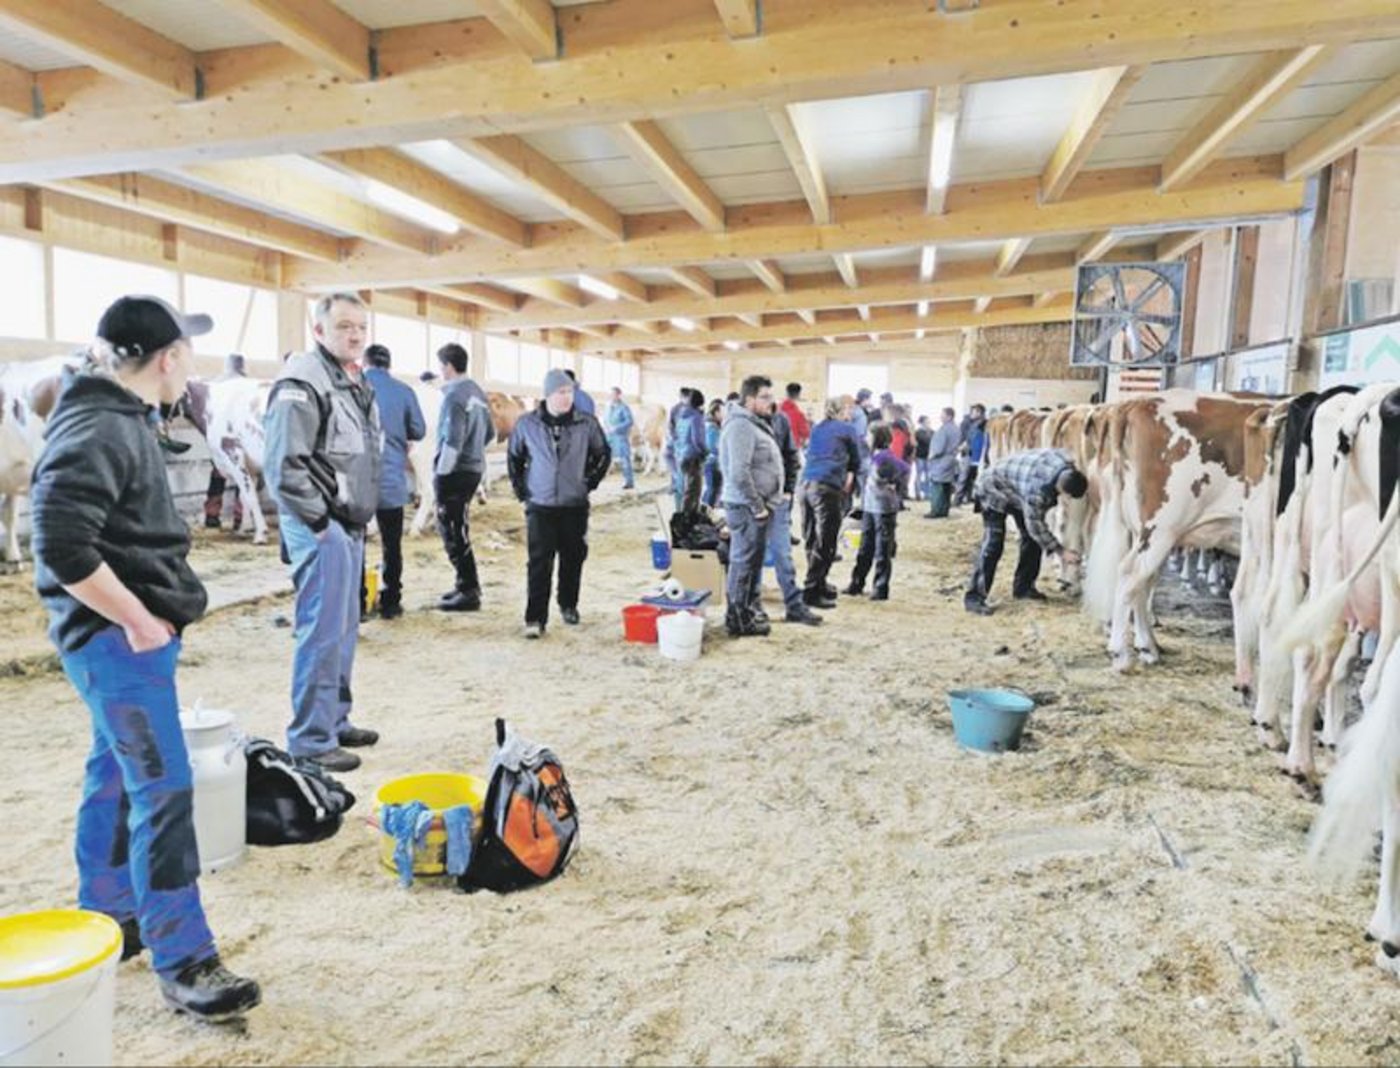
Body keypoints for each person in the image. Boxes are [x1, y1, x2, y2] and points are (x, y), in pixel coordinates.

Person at [30, 294, 260, 1020]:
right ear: (169, 359)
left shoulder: (115, 416)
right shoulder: (99, 425)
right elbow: (61, 544)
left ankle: (109, 912)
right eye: (185, 348)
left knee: (115, 778)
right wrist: (136, 619)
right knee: (163, 792)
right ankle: (184, 956)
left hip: (122, 642)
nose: (188, 359)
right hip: (117, 644)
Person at [263, 292, 382, 774]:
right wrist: (320, 525)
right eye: (343, 327)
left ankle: (334, 720)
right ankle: (310, 740)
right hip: (321, 524)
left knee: (345, 627)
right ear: (318, 331)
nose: (354, 335)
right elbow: (283, 466)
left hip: (347, 521)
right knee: (321, 631)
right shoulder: (302, 381)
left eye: (360, 327)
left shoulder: (351, 380)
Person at [507, 369, 611, 638]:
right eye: (561, 392)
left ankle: (568, 604)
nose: (567, 397)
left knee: (573, 558)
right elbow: (514, 458)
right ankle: (535, 618)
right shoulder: (527, 424)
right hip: (540, 505)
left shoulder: (586, 423)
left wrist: (589, 482)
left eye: (570, 392)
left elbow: (603, 454)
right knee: (539, 562)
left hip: (574, 504)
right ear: (548, 395)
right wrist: (522, 491)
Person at [964, 448, 1088, 616]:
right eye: (1066, 496)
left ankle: (1023, 588)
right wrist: (1060, 551)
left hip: (1015, 487)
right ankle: (974, 597)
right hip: (992, 489)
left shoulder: (1066, 461)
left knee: (1031, 540)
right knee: (993, 543)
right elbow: (1035, 527)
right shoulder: (1036, 491)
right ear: (1061, 488)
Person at [362, 343, 425, 620]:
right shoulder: (403, 391)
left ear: (365, 363)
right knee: (392, 545)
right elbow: (419, 430)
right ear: (389, 364)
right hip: (391, 481)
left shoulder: (352, 387)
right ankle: (391, 601)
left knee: (355, 545)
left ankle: (357, 603)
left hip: (356, 484)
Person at [719, 375, 783, 638]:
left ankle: (746, 611)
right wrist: (757, 506)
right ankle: (737, 619)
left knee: (750, 563)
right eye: (765, 397)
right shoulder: (741, 427)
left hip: (753, 507)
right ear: (750, 399)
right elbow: (738, 472)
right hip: (746, 507)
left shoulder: (752, 424)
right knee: (743, 563)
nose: (771, 401)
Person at [433, 342, 494, 612]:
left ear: (447, 366)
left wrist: (440, 475)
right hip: (474, 469)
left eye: (441, 366)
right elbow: (490, 433)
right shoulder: (478, 393)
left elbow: (452, 441)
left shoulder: (454, 396)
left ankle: (469, 590)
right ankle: (464, 584)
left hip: (455, 472)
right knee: (460, 526)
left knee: (451, 530)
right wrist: (475, 452)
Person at [753, 397, 823, 626]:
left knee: (783, 554)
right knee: (751, 554)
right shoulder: (743, 424)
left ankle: (794, 605)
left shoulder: (781, 421)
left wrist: (788, 490)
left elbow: (792, 456)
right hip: (752, 503)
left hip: (778, 501)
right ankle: (753, 606)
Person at [799, 396, 862, 608]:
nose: (851, 412)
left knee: (810, 536)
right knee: (826, 540)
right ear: (842, 410)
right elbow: (856, 459)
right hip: (827, 486)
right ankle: (811, 590)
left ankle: (818, 583)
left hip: (806, 483)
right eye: (848, 408)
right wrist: (851, 475)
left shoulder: (817, 428)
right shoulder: (847, 429)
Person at [845, 424, 909, 601]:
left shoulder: (883, 458)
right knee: (867, 547)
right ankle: (859, 583)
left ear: (876, 438)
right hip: (871, 507)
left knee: (881, 549)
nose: (866, 438)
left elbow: (904, 468)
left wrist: (892, 483)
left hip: (883, 509)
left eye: (869, 435)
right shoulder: (876, 456)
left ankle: (878, 587)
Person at [202, 352, 246, 530]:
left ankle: (212, 515)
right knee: (243, 477)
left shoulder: (215, 385)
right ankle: (239, 516)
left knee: (218, 475)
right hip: (240, 436)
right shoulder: (245, 385)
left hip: (220, 436)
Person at [675, 388, 707, 514]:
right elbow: (697, 439)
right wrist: (705, 451)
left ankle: (685, 515)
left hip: (682, 455)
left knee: (687, 488)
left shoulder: (681, 416)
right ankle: (686, 519)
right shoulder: (696, 417)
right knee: (694, 491)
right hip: (693, 457)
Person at [924, 407, 960, 518]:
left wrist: (931, 456)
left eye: (942, 414)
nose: (941, 416)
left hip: (941, 460)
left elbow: (939, 448)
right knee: (946, 487)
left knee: (937, 485)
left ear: (949, 416)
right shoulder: (956, 429)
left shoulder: (944, 429)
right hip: (951, 459)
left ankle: (935, 510)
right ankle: (944, 510)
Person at [664, 386, 693, 510]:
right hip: (679, 446)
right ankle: (680, 509)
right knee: (680, 479)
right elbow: (671, 426)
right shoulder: (676, 409)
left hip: (686, 448)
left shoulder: (692, 410)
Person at [954, 403, 988, 506]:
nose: (972, 414)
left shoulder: (983, 424)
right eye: (972, 411)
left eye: (974, 411)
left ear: (980, 413)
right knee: (965, 478)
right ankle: (960, 500)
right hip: (969, 453)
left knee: (968, 478)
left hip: (976, 455)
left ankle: (965, 499)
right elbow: (967, 439)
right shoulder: (971, 424)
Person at [603, 385, 635, 490]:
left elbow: (629, 421)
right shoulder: (608, 406)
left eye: (614, 394)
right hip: (609, 436)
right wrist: (606, 428)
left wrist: (616, 428)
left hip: (620, 437)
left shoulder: (624, 407)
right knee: (605, 456)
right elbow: (605, 419)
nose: (612, 396)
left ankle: (629, 481)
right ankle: (603, 476)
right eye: (611, 394)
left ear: (619, 395)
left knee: (624, 459)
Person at [701, 398, 724, 507]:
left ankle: (705, 511)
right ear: (716, 412)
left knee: (713, 489)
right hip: (712, 463)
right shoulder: (711, 427)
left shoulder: (713, 425)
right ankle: (704, 512)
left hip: (713, 462)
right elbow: (712, 447)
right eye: (722, 411)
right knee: (711, 489)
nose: (724, 414)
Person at [779, 382, 811, 450]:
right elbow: (806, 433)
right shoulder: (799, 414)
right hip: (792, 450)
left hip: (777, 449)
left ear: (786, 393)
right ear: (798, 395)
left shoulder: (776, 410)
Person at [913, 415, 932, 501]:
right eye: (927, 421)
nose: (928, 423)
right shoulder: (918, 432)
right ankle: (918, 494)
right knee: (919, 475)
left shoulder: (932, 432)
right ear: (922, 422)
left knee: (928, 476)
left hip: (929, 456)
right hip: (920, 456)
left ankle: (927, 494)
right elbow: (926, 440)